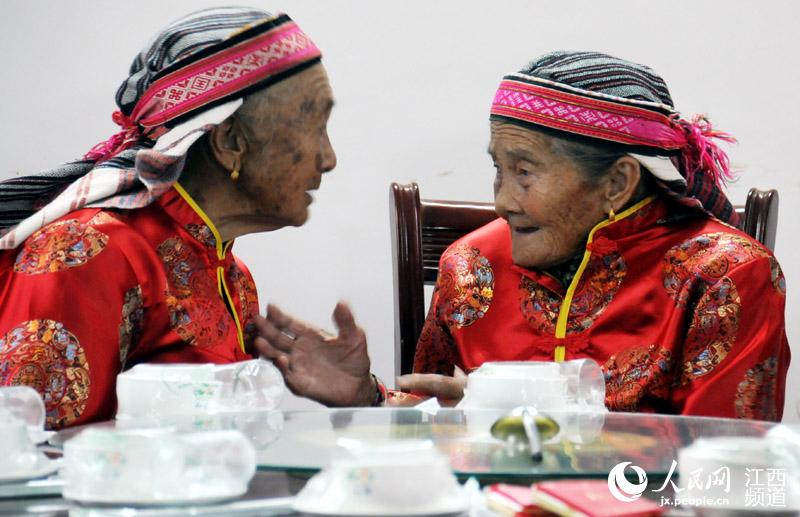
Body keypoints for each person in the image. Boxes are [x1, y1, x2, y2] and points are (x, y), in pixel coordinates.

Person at [257, 51, 790, 420]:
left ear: (617, 182)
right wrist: (369, 399)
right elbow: (438, 419)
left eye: (525, 172)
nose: (503, 202)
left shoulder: (724, 276)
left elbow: (725, 473)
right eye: (499, 169)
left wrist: (540, 420)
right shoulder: (471, 265)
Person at [0, 6, 381, 430]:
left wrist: (365, 396)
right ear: (230, 142)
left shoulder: (232, 274)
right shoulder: (89, 249)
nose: (329, 159)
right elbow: (28, 451)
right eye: (314, 125)